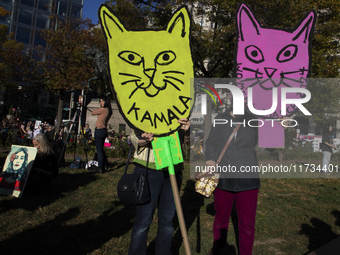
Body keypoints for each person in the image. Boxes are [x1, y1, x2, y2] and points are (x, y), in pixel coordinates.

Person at [128, 119, 190, 255]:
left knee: (167, 222)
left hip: (173, 169)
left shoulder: (179, 109)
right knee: (143, 221)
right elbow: (134, 139)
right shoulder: (143, 108)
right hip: (148, 169)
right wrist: (146, 139)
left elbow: (187, 142)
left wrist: (187, 132)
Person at [205, 109, 261, 255]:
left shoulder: (254, 119)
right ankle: (218, 248)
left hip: (248, 179)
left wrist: (281, 128)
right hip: (224, 178)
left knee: (247, 225)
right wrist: (210, 159)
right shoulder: (220, 118)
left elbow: (270, 144)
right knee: (220, 219)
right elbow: (210, 142)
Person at [91, 96, 112, 173]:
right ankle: (104, 164)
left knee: (99, 150)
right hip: (104, 130)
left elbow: (92, 112)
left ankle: (100, 167)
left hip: (99, 130)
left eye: (102, 101)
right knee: (101, 150)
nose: (101, 103)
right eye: (100, 101)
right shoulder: (108, 110)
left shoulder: (103, 109)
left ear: (106, 102)